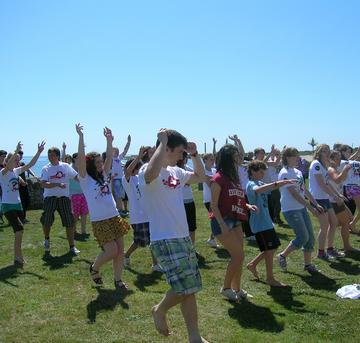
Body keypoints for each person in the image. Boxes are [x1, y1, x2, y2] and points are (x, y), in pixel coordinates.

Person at [139, 129, 208, 343]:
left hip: (182, 236)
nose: (182, 156)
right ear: (166, 149)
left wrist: (196, 156)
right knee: (184, 286)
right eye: (180, 152)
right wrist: (161, 142)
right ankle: (159, 310)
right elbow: (151, 173)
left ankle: (194, 336)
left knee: (191, 288)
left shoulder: (176, 172)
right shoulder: (147, 170)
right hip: (165, 238)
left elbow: (201, 177)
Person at [76, 124, 131, 288]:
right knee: (111, 250)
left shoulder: (104, 174)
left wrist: (108, 140)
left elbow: (108, 158)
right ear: (91, 164)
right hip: (100, 220)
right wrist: (80, 137)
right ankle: (94, 268)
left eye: (101, 161)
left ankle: (118, 280)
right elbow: (80, 158)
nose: (101, 164)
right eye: (97, 162)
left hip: (114, 216)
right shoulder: (86, 179)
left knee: (120, 250)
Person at [210, 144, 257, 301]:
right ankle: (226, 288)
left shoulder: (234, 177)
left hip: (236, 219)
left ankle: (237, 289)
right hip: (222, 222)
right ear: (229, 158)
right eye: (236, 155)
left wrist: (247, 205)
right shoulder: (218, 178)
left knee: (239, 257)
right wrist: (223, 225)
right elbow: (213, 205)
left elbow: (237, 197)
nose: (239, 158)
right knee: (238, 256)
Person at [246, 160, 296, 287]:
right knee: (269, 249)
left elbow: (269, 187)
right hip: (260, 224)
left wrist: (282, 183)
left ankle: (252, 264)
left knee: (271, 248)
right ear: (253, 171)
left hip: (266, 222)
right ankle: (270, 278)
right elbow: (259, 190)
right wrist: (278, 183)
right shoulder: (251, 184)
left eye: (264, 172)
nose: (263, 174)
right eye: (261, 172)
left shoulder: (260, 182)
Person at [276, 148, 323, 274]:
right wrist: (311, 208)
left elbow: (303, 190)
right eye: (295, 156)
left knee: (310, 238)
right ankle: (282, 256)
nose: (298, 158)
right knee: (302, 237)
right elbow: (294, 194)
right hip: (291, 209)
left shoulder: (297, 172)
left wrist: (316, 204)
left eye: (298, 155)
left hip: (301, 208)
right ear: (287, 158)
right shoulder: (284, 173)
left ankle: (308, 265)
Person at [0, 141, 45, 265]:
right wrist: (16, 150)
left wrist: (39, 152)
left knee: (19, 231)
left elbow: (31, 164)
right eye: (15, 159)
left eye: (18, 160)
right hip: (8, 206)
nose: (17, 162)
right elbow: (8, 165)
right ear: (9, 160)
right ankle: (17, 257)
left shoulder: (15, 172)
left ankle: (18, 256)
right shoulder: (3, 173)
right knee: (19, 230)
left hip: (18, 205)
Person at [122, 147, 160, 271]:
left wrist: (152, 155)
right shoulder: (127, 180)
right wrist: (138, 157)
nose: (139, 170)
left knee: (154, 239)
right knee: (140, 242)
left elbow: (150, 167)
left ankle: (155, 264)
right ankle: (125, 255)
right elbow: (127, 171)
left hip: (150, 214)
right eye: (137, 168)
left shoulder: (141, 178)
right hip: (138, 217)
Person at [40, 146, 80, 255]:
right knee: (47, 220)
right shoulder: (46, 169)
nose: (50, 157)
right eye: (49, 155)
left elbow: (76, 177)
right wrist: (57, 184)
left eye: (52, 155)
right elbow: (43, 183)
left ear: (57, 156)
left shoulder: (65, 166)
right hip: (50, 198)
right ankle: (47, 239)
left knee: (69, 222)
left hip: (64, 198)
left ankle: (72, 247)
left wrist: (85, 183)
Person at [309, 144, 345, 260]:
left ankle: (330, 249)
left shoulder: (324, 165)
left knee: (334, 223)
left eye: (327, 151)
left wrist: (337, 194)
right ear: (318, 152)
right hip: (317, 199)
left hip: (324, 198)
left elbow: (327, 183)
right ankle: (321, 253)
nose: (326, 153)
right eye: (324, 151)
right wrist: (335, 196)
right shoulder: (316, 164)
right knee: (324, 226)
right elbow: (321, 184)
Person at [328, 150, 358, 250]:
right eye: (337, 158)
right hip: (332, 200)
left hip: (338, 198)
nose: (339, 160)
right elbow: (337, 180)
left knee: (349, 218)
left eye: (340, 158)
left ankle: (332, 227)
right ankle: (345, 246)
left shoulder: (338, 167)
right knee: (345, 222)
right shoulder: (331, 169)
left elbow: (350, 161)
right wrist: (345, 170)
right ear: (331, 159)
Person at [177, 151, 198, 246]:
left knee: (191, 227)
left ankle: (192, 249)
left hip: (189, 201)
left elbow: (197, 175)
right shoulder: (175, 170)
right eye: (185, 157)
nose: (186, 159)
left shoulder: (187, 169)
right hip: (179, 202)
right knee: (180, 227)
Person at [201, 153, 220, 248]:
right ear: (205, 161)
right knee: (216, 219)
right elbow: (211, 185)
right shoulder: (203, 172)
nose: (213, 161)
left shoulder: (214, 170)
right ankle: (212, 239)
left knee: (218, 219)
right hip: (209, 199)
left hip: (216, 198)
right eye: (210, 159)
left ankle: (212, 238)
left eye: (213, 159)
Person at [69, 153, 89, 236]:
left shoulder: (82, 168)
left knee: (84, 213)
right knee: (75, 214)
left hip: (83, 193)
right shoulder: (70, 168)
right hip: (73, 194)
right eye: (78, 158)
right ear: (74, 159)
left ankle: (83, 231)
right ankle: (74, 230)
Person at [112, 135, 131, 217]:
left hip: (120, 179)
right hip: (115, 179)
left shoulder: (118, 158)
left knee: (120, 195)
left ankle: (120, 210)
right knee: (117, 195)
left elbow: (125, 151)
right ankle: (120, 210)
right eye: (115, 151)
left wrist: (128, 142)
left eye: (117, 151)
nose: (116, 153)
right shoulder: (110, 159)